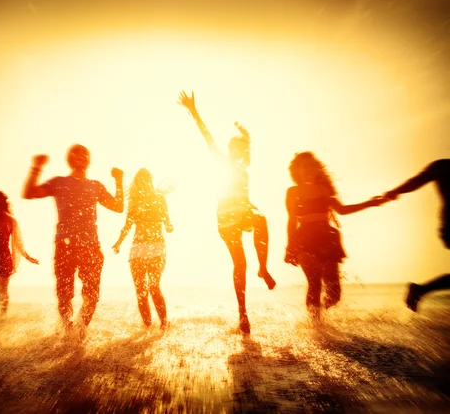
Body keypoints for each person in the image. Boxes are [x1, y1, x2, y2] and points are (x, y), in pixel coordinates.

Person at [178, 90, 275, 334]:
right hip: (225, 217)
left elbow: (246, 149)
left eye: (241, 150)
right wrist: (194, 111)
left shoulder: (244, 165)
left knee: (261, 218)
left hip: (244, 210)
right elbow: (208, 137)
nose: (238, 153)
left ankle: (263, 268)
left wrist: (246, 137)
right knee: (239, 263)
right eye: (234, 150)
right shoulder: (224, 161)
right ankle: (243, 314)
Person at [21, 144, 124, 332]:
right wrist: (36, 168)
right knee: (64, 295)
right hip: (65, 245)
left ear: (89, 160)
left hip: (91, 246)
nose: (81, 157)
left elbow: (118, 207)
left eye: (85, 154)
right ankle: (68, 332)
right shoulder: (59, 182)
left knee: (92, 295)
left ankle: (80, 331)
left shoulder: (95, 185)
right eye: (76, 154)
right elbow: (29, 193)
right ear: (69, 159)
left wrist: (119, 181)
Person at [285, 152, 386, 320]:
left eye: (312, 165)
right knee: (314, 283)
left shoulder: (324, 190)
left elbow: (343, 210)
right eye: (305, 166)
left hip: (327, 238)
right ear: (297, 171)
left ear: (317, 168)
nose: (309, 169)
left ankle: (320, 312)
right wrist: (290, 246)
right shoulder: (293, 192)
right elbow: (291, 220)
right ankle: (315, 325)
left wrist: (370, 203)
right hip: (304, 239)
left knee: (335, 294)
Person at [383, 159, 450, 312]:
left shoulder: (441, 166)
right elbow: (416, 181)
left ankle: (421, 290)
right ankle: (421, 289)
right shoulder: (442, 166)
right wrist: (395, 191)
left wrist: (395, 192)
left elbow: (417, 181)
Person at [112, 168, 174, 329]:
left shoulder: (160, 199)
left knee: (154, 286)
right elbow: (127, 225)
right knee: (141, 290)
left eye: (147, 179)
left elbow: (168, 224)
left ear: (151, 181)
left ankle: (164, 324)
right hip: (138, 248)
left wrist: (167, 223)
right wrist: (118, 242)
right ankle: (147, 328)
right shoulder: (135, 202)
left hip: (156, 247)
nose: (145, 182)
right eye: (142, 179)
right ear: (138, 183)